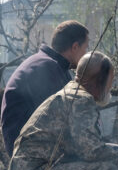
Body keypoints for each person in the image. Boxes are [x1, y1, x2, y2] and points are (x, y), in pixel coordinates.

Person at [1, 20, 89, 158]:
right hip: (28, 157)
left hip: (37, 149)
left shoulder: (52, 65)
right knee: (106, 168)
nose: (86, 54)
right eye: (86, 48)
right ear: (75, 47)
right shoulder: (47, 68)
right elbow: (64, 121)